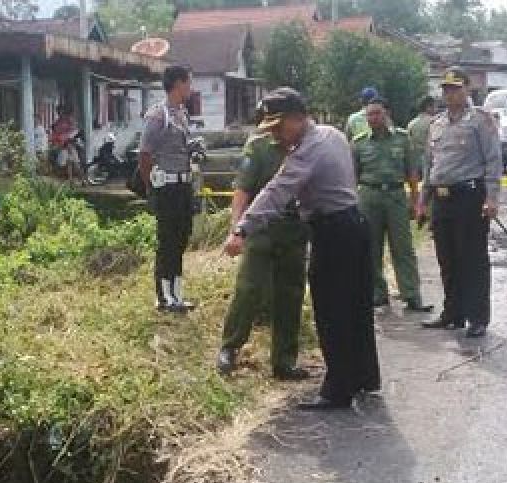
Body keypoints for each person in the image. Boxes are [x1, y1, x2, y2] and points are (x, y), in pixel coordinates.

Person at [223, 87, 380, 411]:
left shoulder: (309, 148)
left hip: (333, 231)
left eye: (280, 127)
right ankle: (363, 376)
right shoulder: (332, 134)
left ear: (297, 118)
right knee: (356, 308)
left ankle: (337, 390)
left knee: (332, 310)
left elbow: (277, 191)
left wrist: (242, 228)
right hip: (353, 225)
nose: (278, 135)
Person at [217, 104, 311, 381]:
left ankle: (284, 361)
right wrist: (236, 230)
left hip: (295, 231)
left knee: (290, 296)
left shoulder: (308, 146)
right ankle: (230, 348)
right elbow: (243, 190)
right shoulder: (259, 147)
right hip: (262, 230)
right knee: (249, 289)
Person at [415, 66, 502, 338]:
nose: (450, 93)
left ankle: (478, 317)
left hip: (469, 196)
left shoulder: (481, 120)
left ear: (467, 90)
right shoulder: (436, 124)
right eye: (446, 89)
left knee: (472, 258)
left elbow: (493, 161)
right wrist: (422, 201)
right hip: (442, 199)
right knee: (447, 258)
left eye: (455, 88)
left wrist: (491, 198)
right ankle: (453, 313)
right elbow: (430, 166)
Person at [352, 97, 432, 312]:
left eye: (377, 113)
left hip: (396, 197)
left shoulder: (402, 139)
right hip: (369, 197)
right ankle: (378, 294)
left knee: (403, 248)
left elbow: (412, 173)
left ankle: (412, 294)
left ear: (386, 114)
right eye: (369, 114)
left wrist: (416, 202)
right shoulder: (359, 143)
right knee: (371, 248)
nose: (373, 118)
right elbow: (353, 176)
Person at [140, 65, 197, 312]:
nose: (191, 88)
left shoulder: (181, 114)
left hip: (184, 185)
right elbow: (144, 154)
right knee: (168, 241)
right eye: (189, 83)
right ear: (178, 84)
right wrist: (151, 188)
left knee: (182, 238)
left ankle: (177, 293)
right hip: (167, 187)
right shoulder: (158, 115)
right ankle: (164, 297)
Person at [406, 95, 436, 173]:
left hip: (414, 163)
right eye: (433, 106)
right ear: (428, 107)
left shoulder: (411, 124)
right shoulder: (434, 122)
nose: (435, 109)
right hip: (431, 162)